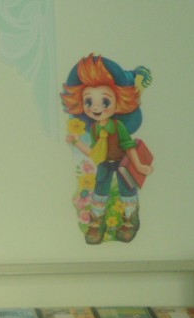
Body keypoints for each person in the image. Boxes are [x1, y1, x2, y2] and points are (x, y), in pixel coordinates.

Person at [61, 54, 153, 245]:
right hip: (104, 163)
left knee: (127, 190)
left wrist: (139, 165)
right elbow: (95, 152)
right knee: (100, 191)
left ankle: (130, 220)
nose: (96, 108)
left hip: (122, 163)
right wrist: (77, 142)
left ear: (119, 101)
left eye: (104, 102)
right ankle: (97, 222)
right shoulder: (95, 128)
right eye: (88, 102)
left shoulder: (118, 126)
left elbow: (129, 146)